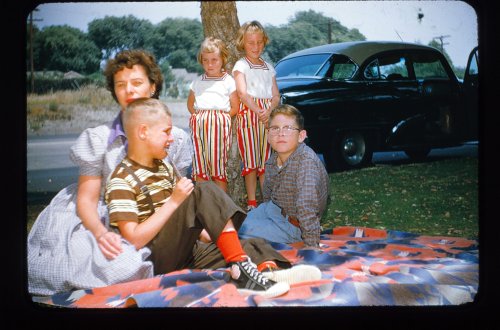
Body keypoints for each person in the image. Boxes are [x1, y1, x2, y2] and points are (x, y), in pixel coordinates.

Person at [105, 98, 321, 297]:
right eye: (166, 132)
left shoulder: (163, 167)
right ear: (143, 132)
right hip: (155, 258)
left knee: (250, 244)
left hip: (185, 251)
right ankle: (243, 273)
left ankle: (268, 273)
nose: (172, 138)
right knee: (202, 190)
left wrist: (209, 231)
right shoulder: (121, 179)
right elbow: (134, 239)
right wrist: (174, 201)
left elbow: (182, 221)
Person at [27, 49, 193, 297]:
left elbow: (178, 190)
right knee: (123, 267)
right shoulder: (99, 138)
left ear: (153, 86)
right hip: (104, 215)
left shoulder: (175, 137)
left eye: (137, 83)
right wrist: (100, 233)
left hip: (155, 211)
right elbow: (86, 200)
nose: (129, 90)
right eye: (120, 85)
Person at [238, 104, 329, 248]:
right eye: (275, 128)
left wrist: (311, 248)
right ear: (268, 136)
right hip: (271, 210)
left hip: (293, 226)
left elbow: (307, 208)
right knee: (230, 224)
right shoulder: (272, 160)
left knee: (235, 235)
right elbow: (267, 195)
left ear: (301, 136)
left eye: (287, 128)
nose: (281, 133)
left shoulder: (306, 163)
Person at [232, 20, 281, 211]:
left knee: (265, 159)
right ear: (243, 43)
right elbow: (242, 93)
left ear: (264, 42)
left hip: (267, 113)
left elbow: (276, 95)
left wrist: (268, 111)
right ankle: (252, 202)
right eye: (251, 43)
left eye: (259, 42)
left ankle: (267, 201)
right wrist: (258, 111)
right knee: (251, 160)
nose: (255, 46)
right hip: (249, 112)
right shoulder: (241, 65)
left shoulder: (269, 67)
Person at [187, 37, 239, 193]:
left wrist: (220, 119)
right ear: (201, 61)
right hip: (200, 127)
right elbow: (190, 105)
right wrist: (201, 118)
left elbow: (235, 107)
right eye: (206, 60)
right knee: (200, 166)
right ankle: (204, 207)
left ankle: (222, 208)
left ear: (222, 59)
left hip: (219, 127)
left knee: (218, 167)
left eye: (214, 60)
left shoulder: (228, 81)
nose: (210, 64)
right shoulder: (197, 82)